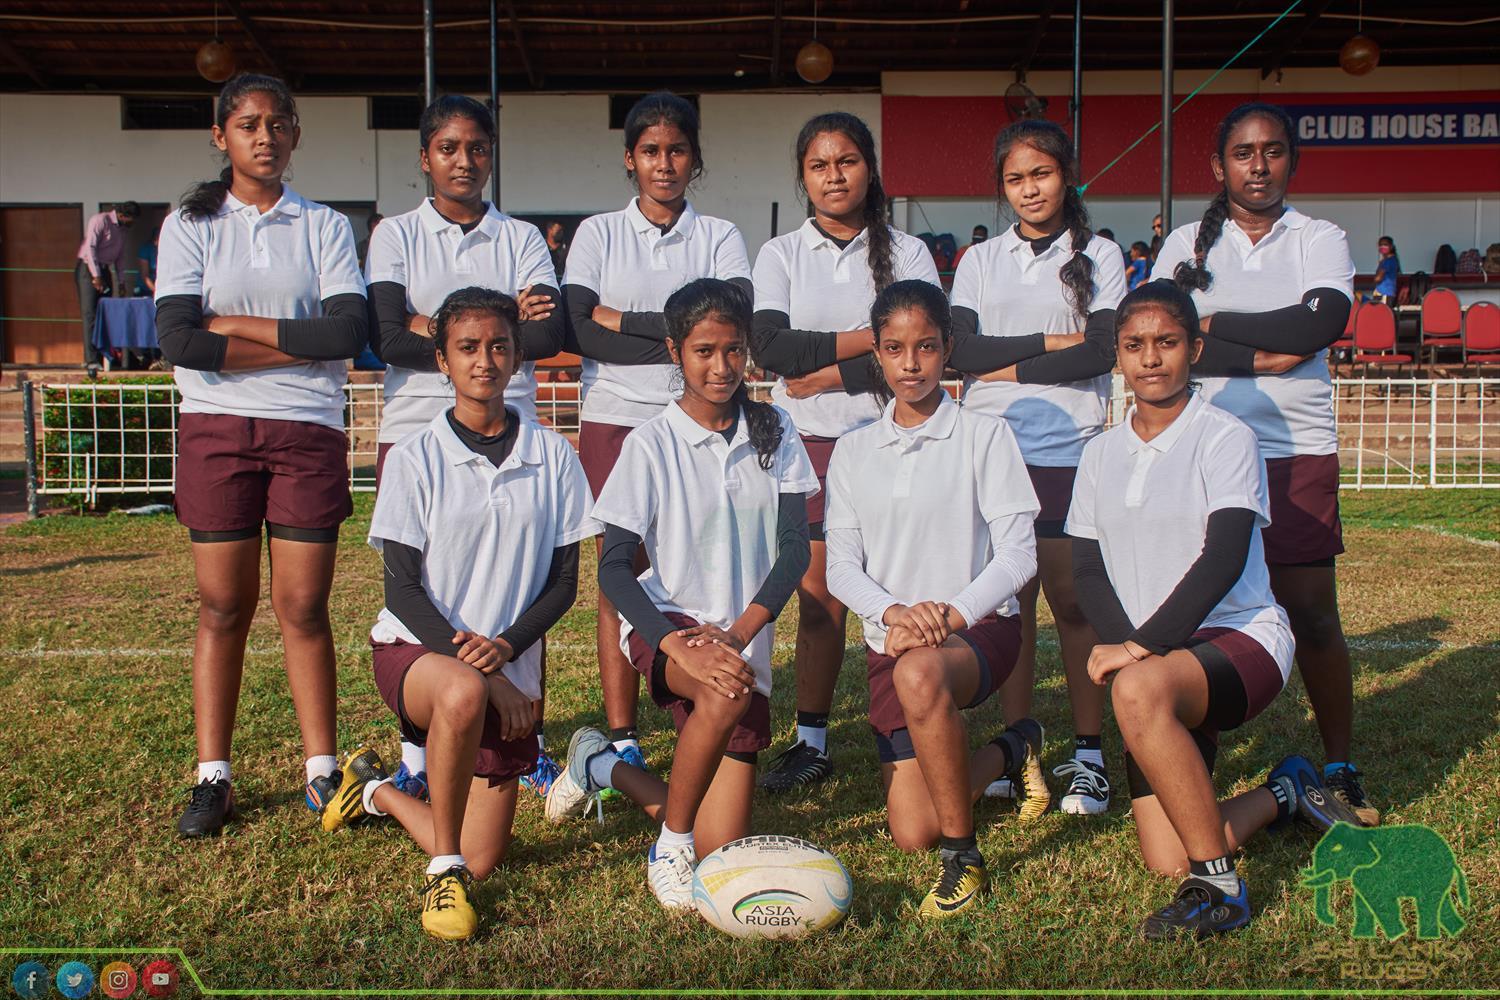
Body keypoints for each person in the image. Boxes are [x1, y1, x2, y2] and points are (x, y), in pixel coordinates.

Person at [1067, 279, 1361, 940]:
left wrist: (1138, 654)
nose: (1150, 358)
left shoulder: (1224, 436)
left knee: (1140, 692)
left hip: (1239, 640)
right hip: (1155, 664)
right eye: (1135, 344)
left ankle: (1223, 891)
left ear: (1195, 347)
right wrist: (1133, 652)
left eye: (1167, 342)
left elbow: (1224, 556)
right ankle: (1286, 791)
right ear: (1117, 354)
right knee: (1166, 856)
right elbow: (1087, 567)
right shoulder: (1099, 453)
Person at [324, 287, 595, 941]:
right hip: (417, 653)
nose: (484, 360)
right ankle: (443, 874)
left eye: (499, 346)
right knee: (464, 693)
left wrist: (504, 653)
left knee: (487, 856)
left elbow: (563, 586)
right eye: (467, 348)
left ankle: (371, 789)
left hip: (504, 666)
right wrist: (486, 669)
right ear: (442, 361)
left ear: (517, 357)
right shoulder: (415, 459)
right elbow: (402, 592)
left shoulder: (554, 457)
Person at [546, 278, 815, 909]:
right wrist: (678, 645)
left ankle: (599, 766)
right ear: (675, 352)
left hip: (739, 634)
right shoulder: (649, 443)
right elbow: (613, 569)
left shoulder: (775, 430)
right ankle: (669, 845)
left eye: (732, 350)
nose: (721, 367)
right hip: (665, 621)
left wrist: (740, 635)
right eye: (703, 351)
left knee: (722, 845)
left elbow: (796, 550)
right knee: (725, 688)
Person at [152, 73, 368, 838]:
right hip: (216, 430)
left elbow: (345, 335)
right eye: (248, 124)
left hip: (307, 431)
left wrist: (236, 327)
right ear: (222, 137)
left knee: (303, 607)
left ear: (296, 135)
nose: (264, 137)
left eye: (279, 124)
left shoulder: (325, 226)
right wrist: (294, 347)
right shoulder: (190, 224)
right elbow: (180, 342)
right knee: (222, 607)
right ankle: (214, 777)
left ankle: (321, 771)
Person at [1151, 101, 1376, 825]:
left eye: (1273, 151)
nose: (1259, 165)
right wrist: (1267, 353)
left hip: (1293, 451)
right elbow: (1162, 333)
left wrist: (1212, 329)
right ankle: (1195, 761)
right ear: (1219, 167)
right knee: (1198, 609)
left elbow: (1319, 324)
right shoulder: (1186, 242)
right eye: (1243, 153)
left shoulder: (1320, 237)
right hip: (1200, 450)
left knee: (1311, 613)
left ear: (1290, 160)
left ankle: (1337, 763)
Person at [364, 94, 566, 802]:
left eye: (477, 148)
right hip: (414, 428)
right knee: (430, 585)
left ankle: (526, 740)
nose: (464, 161)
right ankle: (415, 756)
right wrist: (496, 315)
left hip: (508, 430)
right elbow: (384, 336)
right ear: (426, 158)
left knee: (518, 576)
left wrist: (440, 323)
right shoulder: (395, 235)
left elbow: (546, 337)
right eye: (448, 148)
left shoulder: (521, 236)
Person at [825, 280, 1043, 917]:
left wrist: (948, 614)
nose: (911, 363)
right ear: (878, 355)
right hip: (892, 640)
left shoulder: (986, 436)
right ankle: (1013, 747)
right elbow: (841, 567)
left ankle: (964, 858)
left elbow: (1019, 557)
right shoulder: (852, 451)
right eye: (895, 349)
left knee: (922, 671)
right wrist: (893, 614)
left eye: (926, 347)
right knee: (910, 831)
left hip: (976, 634)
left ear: (948, 348)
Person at [747, 110, 941, 793]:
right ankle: (812, 741)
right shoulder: (780, 254)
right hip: (808, 446)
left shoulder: (909, 254)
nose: (835, 176)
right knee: (822, 598)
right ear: (803, 175)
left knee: (902, 588)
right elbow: (772, 348)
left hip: (896, 437)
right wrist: (873, 338)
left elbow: (920, 353)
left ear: (870, 167)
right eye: (820, 165)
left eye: (848, 161)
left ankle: (912, 728)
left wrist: (830, 366)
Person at [563, 91, 752, 786]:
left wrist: (623, 319)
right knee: (619, 576)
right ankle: (621, 736)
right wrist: (682, 335)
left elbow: (733, 322)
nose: (664, 164)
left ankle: (690, 707)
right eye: (650, 151)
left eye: (676, 151)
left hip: (700, 422)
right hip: (615, 418)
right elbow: (576, 330)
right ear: (630, 158)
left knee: (698, 566)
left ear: (694, 158)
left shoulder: (722, 236)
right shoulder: (597, 234)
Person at [948, 118, 1127, 819]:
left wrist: (1008, 362)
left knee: (1072, 601)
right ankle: (1017, 745)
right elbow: (960, 351)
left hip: (1067, 449)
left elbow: (1100, 350)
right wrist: (1044, 346)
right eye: (1017, 179)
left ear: (1067, 177)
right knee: (1007, 604)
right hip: (992, 452)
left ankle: (1087, 753)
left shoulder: (1101, 254)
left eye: (1042, 175)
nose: (1031, 189)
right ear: (1002, 187)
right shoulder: (978, 261)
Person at [76, 199, 139, 375]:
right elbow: (90, 247)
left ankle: (108, 356)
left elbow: (119, 257)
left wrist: (120, 281)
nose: (131, 223)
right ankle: (91, 360)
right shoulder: (100, 220)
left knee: (106, 313)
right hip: (88, 269)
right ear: (122, 214)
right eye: (131, 218)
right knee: (90, 314)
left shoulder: (123, 230)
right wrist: (95, 276)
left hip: (105, 271)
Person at [1371, 236, 1400, 303]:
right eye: (1381, 245)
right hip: (1389, 292)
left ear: (1391, 246)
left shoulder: (1387, 261)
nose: (1383, 247)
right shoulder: (1394, 259)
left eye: (1385, 245)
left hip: (1384, 293)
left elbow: (1378, 278)